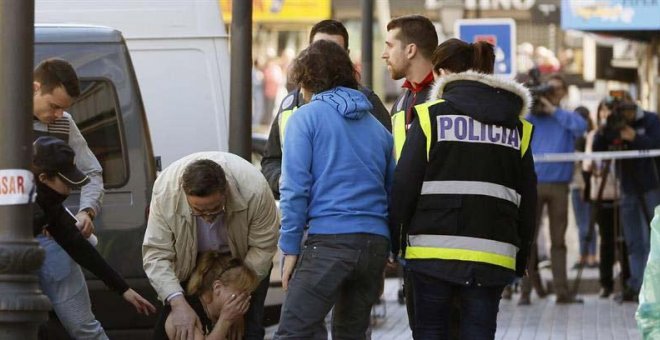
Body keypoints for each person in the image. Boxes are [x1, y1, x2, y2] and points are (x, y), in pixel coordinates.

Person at [390, 38, 536, 339]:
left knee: (431, 331)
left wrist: (397, 243)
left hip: (431, 255)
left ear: (444, 74)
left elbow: (403, 186)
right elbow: (528, 200)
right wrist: (521, 260)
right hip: (493, 257)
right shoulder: (517, 127)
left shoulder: (431, 117)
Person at [273, 40, 393, 339]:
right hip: (374, 246)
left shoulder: (305, 118)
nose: (300, 93)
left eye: (301, 84)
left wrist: (289, 249)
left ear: (310, 81)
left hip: (330, 242)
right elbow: (392, 190)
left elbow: (295, 189)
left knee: (293, 332)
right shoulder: (379, 129)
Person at [143, 152, 279, 340]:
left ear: (226, 192)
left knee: (248, 330)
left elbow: (263, 248)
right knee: (184, 322)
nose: (207, 217)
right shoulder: (166, 192)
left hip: (244, 262)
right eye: (198, 211)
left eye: (215, 209)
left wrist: (238, 304)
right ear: (184, 194)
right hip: (188, 261)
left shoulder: (255, 190)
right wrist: (177, 302)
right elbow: (156, 254)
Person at [33, 136, 156, 339]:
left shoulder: (49, 201)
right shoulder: (23, 205)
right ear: (44, 178)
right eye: (66, 181)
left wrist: (122, 288)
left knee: (82, 326)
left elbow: (78, 246)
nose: (71, 189)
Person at [261, 19, 391, 199]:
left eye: (333, 52)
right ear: (307, 54)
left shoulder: (367, 102)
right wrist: (283, 181)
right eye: (318, 50)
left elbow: (388, 163)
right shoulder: (290, 104)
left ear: (346, 55)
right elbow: (271, 161)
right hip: (306, 215)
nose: (324, 59)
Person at [32, 58, 111, 338]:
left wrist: (87, 210)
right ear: (35, 88)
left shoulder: (64, 124)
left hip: (51, 235)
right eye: (54, 106)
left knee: (82, 325)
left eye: (65, 108)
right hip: (10, 239)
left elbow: (92, 173)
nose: (59, 114)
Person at [381, 14, 437, 322]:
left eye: (390, 45)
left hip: (439, 235)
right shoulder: (401, 103)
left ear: (411, 49)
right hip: (413, 242)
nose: (384, 53)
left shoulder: (444, 98)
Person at [521, 74, 587, 304]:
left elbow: (581, 128)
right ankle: (525, 291)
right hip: (533, 183)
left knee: (558, 240)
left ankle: (562, 291)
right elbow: (518, 128)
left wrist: (554, 110)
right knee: (528, 239)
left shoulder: (565, 116)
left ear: (563, 93)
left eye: (557, 90)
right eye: (549, 90)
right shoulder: (532, 116)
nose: (552, 94)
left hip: (559, 185)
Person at [593, 93, 660, 303]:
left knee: (654, 238)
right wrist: (605, 126)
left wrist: (634, 137)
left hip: (651, 186)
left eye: (626, 111)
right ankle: (638, 285)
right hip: (627, 188)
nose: (625, 116)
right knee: (634, 241)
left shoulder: (651, 120)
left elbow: (656, 144)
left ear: (634, 107)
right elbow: (598, 148)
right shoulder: (615, 122)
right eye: (620, 112)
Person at [154, 251, 258, 339]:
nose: (245, 300)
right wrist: (225, 321)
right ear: (217, 288)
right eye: (241, 293)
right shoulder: (185, 314)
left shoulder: (219, 313)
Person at [586, 99, 631, 298]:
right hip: (604, 192)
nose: (608, 114)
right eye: (604, 110)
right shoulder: (596, 135)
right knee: (606, 240)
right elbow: (590, 163)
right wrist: (603, 133)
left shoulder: (626, 131)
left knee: (625, 240)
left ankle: (629, 280)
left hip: (625, 191)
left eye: (611, 110)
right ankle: (606, 283)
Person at [571, 106, 597, 269]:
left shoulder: (586, 138)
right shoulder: (577, 136)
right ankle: (584, 255)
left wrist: (582, 186)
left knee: (586, 223)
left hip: (584, 185)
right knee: (583, 224)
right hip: (578, 185)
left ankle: (590, 257)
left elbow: (583, 166)